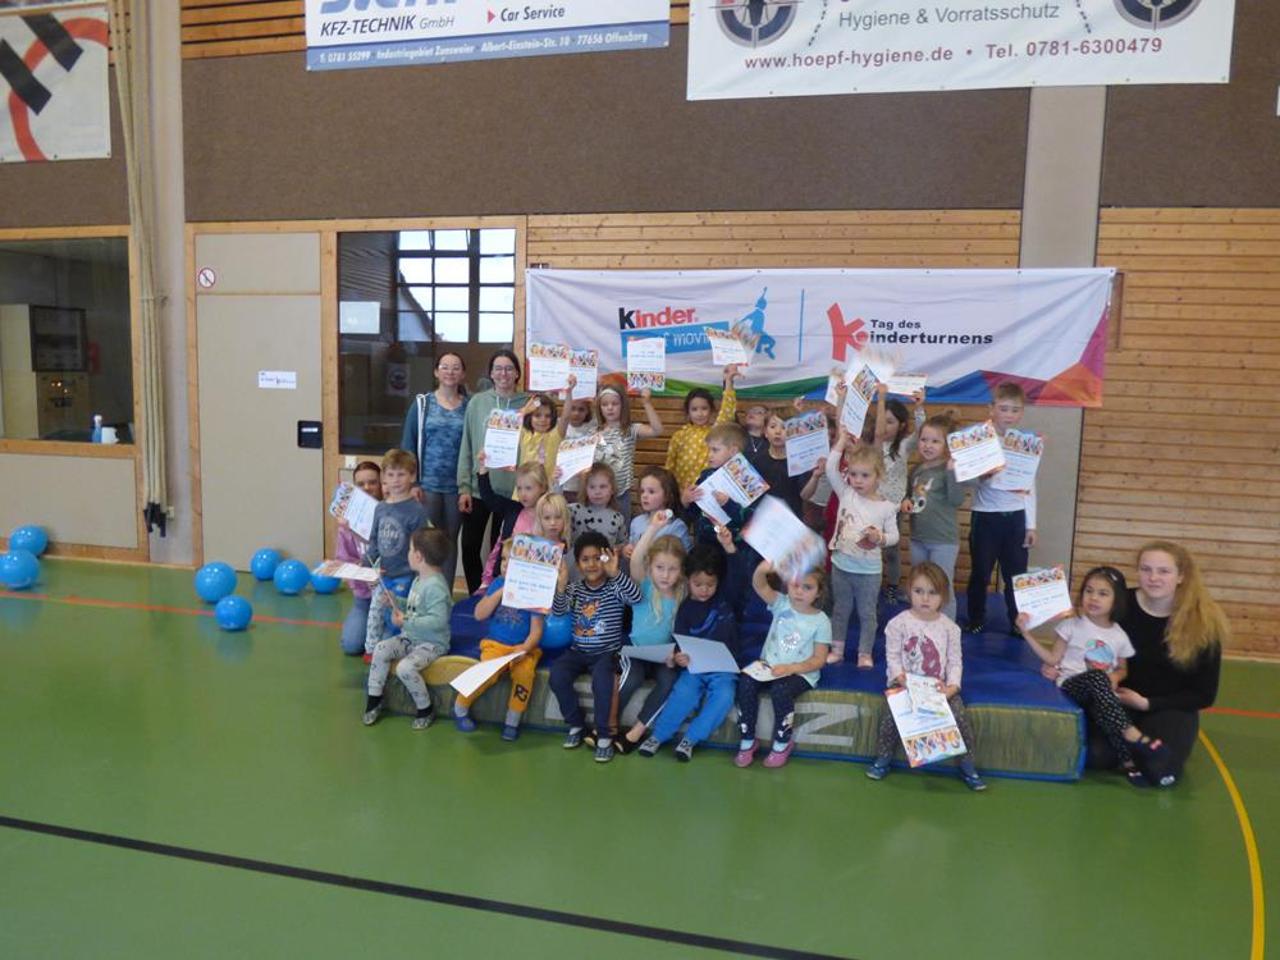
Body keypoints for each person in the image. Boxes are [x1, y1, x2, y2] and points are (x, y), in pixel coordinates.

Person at [1083, 542, 1227, 785]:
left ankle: (1141, 750)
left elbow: (1203, 695)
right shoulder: (1119, 604)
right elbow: (1084, 640)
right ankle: (1129, 749)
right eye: (1146, 569)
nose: (1153, 578)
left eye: (1163, 571)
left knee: (1159, 772)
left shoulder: (1203, 622)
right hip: (1119, 700)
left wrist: (1147, 703)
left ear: (1181, 576)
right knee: (1095, 757)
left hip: (1168, 707)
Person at [1018, 566, 1172, 786]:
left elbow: (1122, 668)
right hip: (1072, 685)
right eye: (1089, 591)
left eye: (1103, 593)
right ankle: (1134, 736)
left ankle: (1130, 765)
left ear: (1115, 601)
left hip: (1101, 692)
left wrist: (1115, 678)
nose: (1093, 598)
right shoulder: (1071, 625)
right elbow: (1052, 658)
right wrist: (1026, 633)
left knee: (1107, 711)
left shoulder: (1119, 635)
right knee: (1097, 677)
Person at [866, 562, 986, 790]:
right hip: (905, 684)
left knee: (960, 717)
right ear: (909, 591)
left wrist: (952, 688)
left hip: (938, 689)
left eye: (932, 593)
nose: (925, 598)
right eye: (919, 591)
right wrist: (901, 678)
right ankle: (883, 758)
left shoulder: (950, 628)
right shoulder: (898, 624)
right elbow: (892, 656)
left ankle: (968, 764)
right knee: (891, 717)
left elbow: (955, 662)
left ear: (943, 597)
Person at [640, 530, 746, 761]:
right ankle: (658, 736)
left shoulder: (726, 599)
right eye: (698, 584)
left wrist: (729, 547)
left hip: (724, 670)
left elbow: (738, 574)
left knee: (724, 696)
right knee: (683, 693)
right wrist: (679, 657)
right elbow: (680, 643)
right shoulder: (685, 608)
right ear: (687, 580)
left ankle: (691, 739)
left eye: (710, 584)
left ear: (718, 582)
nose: (704, 589)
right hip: (694, 668)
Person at [549, 532, 643, 763]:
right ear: (578, 564)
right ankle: (576, 724)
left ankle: (604, 734)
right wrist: (561, 586)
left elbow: (636, 598)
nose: (591, 564)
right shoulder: (575, 589)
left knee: (602, 682)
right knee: (557, 675)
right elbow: (558, 611)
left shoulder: (615, 587)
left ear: (607, 558)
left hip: (606, 653)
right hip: (577, 652)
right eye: (585, 559)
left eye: (597, 558)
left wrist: (616, 573)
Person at [734, 559, 831, 769]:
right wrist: (762, 569)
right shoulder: (781, 603)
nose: (799, 591)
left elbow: (819, 660)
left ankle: (782, 742)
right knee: (745, 682)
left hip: (800, 673)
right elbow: (759, 585)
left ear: (818, 592)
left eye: (808, 587)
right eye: (795, 585)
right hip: (769, 667)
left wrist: (790, 668)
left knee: (781, 689)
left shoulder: (821, 621)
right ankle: (748, 739)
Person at [452, 540, 544, 741]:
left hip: (523, 648)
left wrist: (525, 648)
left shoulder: (534, 592)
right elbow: (479, 614)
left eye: (513, 561)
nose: (505, 564)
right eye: (503, 559)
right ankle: (460, 707)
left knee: (525, 675)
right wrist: (502, 592)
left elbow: (536, 631)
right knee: (487, 673)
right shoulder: (497, 584)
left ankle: (512, 720)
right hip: (495, 644)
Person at [362, 528, 453, 730]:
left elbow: (438, 621)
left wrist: (406, 621)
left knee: (405, 667)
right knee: (380, 648)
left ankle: (425, 708)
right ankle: (374, 698)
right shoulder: (419, 579)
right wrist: (395, 602)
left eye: (410, 549)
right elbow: (414, 608)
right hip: (411, 637)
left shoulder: (436, 587)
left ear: (419, 556)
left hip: (432, 644)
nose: (408, 553)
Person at [964, 382, 1037, 636]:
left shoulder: (1025, 443)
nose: (1009, 415)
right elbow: (965, 478)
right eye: (1004, 409)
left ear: (1022, 413)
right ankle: (976, 618)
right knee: (981, 573)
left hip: (1016, 518)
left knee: (1016, 576)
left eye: (1015, 410)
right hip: (985, 517)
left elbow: (1030, 485)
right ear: (991, 409)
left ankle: (1017, 622)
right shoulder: (979, 439)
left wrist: (1031, 525)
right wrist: (981, 476)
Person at [825, 429, 899, 667]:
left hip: (869, 571)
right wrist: (841, 442)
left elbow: (895, 536)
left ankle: (864, 652)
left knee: (867, 614)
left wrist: (880, 538)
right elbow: (830, 468)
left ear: (879, 476)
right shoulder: (846, 494)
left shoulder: (886, 507)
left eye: (865, 475)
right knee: (840, 610)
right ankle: (837, 649)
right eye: (853, 474)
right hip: (841, 565)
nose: (858, 480)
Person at [456, 350, 527, 595]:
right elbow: (467, 444)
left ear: (517, 373)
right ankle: (475, 596)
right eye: (498, 368)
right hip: (479, 487)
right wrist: (464, 487)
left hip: (513, 492)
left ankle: (495, 597)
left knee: (502, 552)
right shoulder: (477, 403)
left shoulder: (528, 405)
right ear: (491, 373)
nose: (503, 373)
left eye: (509, 368)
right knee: (469, 546)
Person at [616, 516, 687, 751]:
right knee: (631, 679)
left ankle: (636, 731)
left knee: (669, 681)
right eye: (660, 568)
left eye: (672, 569)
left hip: (663, 656)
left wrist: (674, 654)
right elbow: (636, 558)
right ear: (650, 567)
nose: (665, 575)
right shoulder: (644, 584)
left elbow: (682, 632)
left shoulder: (682, 594)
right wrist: (654, 527)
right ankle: (608, 724)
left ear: (681, 571)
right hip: (636, 651)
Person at [401, 351, 467, 590]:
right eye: (445, 367)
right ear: (436, 372)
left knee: (449, 542)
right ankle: (424, 592)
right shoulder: (422, 404)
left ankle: (443, 595)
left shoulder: (469, 406)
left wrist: (467, 486)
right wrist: (413, 483)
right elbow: (408, 444)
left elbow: (473, 444)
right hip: (427, 486)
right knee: (427, 542)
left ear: (463, 373)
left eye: (456, 367)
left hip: (456, 487)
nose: (450, 372)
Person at [902, 414, 972, 621]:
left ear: (946, 445)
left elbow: (957, 500)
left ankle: (947, 629)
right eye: (924, 440)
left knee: (942, 586)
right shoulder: (917, 469)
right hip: (918, 538)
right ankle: (920, 626)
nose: (928, 445)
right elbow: (910, 497)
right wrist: (905, 502)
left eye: (935, 441)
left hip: (943, 541)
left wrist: (952, 473)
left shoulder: (947, 470)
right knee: (919, 585)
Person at [363, 448, 432, 655]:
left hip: (406, 575)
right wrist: (367, 568)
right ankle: (371, 651)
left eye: (401, 474)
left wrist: (420, 575)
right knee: (375, 612)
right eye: (390, 474)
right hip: (383, 574)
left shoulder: (417, 510)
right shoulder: (380, 508)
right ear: (383, 477)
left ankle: (396, 649)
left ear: (412, 476)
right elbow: (374, 540)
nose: (395, 480)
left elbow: (421, 546)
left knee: (398, 614)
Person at [867, 384, 926, 602]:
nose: (885, 426)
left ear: (901, 425)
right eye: (883, 421)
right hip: (872, 505)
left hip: (894, 507)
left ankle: (892, 586)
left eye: (891, 422)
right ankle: (871, 587)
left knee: (891, 550)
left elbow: (921, 432)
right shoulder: (873, 444)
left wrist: (919, 408)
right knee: (870, 547)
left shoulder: (904, 445)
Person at [476, 458, 549, 589]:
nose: (523, 494)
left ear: (542, 487)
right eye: (519, 488)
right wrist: (483, 468)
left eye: (528, 488)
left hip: (533, 582)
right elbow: (488, 497)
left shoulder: (549, 516)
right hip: (504, 577)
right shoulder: (512, 509)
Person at [664, 365, 739, 490]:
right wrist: (671, 492)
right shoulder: (679, 435)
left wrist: (728, 382)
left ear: (711, 411)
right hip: (684, 493)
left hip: (709, 492)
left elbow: (727, 411)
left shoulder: (715, 432)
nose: (700, 413)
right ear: (688, 412)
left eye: (704, 408)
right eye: (694, 409)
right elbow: (670, 466)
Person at [593, 383, 662, 518]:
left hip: (621, 493)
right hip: (598, 493)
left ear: (623, 406)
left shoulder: (629, 429)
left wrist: (647, 403)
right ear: (599, 407)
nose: (610, 408)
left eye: (615, 403)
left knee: (622, 528)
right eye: (605, 404)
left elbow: (657, 430)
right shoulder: (594, 433)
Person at [335, 460, 381, 656]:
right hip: (364, 598)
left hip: (390, 597)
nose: (367, 487)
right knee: (351, 645)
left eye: (372, 482)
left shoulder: (391, 514)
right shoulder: (347, 522)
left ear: (381, 484)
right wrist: (359, 575)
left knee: (383, 646)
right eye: (361, 484)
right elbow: (344, 559)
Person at [746, 406, 823, 519]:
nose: (777, 432)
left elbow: (805, 495)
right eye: (773, 427)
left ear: (794, 432)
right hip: (764, 518)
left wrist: (815, 477)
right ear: (765, 432)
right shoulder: (757, 459)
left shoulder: (799, 460)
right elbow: (751, 493)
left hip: (791, 518)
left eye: (784, 427)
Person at [681, 422, 750, 547]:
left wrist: (728, 504)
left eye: (715, 450)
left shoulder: (747, 480)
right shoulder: (705, 475)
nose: (710, 455)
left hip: (731, 545)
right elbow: (693, 513)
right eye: (709, 450)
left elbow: (747, 519)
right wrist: (686, 501)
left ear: (733, 451)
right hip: (704, 542)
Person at [626, 466, 692, 555]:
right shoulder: (636, 522)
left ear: (667, 496)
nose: (644, 496)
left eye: (651, 492)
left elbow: (685, 557)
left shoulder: (677, 526)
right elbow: (632, 546)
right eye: (642, 491)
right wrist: (627, 551)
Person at [568, 463, 627, 547]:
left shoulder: (618, 518)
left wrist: (622, 549)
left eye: (603, 487)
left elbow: (622, 544)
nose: (597, 492)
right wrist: (556, 483)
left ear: (612, 489)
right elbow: (555, 508)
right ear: (585, 489)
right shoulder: (574, 510)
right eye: (592, 487)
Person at [559, 392, 599, 502]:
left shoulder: (591, 427)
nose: (576, 413)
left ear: (587, 412)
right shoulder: (560, 425)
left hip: (582, 486)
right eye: (572, 408)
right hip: (563, 485)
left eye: (581, 410)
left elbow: (599, 415)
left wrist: (594, 399)